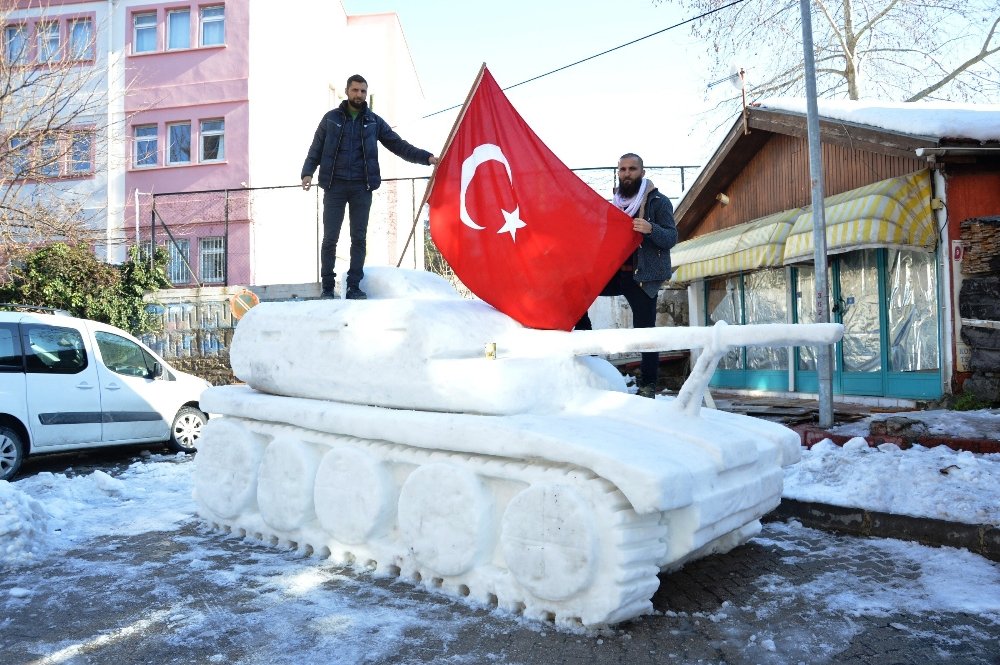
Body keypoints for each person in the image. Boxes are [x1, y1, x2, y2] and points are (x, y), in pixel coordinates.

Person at [301, 74, 438, 300]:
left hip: (361, 187)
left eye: (363, 91)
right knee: (330, 238)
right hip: (334, 186)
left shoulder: (373, 121)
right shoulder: (331, 119)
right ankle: (327, 288)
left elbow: (398, 144)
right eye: (355, 90)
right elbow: (316, 147)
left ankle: (354, 286)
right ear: (347, 91)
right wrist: (308, 172)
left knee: (359, 237)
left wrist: (427, 157)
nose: (359, 95)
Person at [576, 153, 678, 398]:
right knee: (577, 292)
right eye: (622, 169)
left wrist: (650, 228)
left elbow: (672, 238)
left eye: (632, 169)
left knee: (645, 332)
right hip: (614, 273)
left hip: (642, 276)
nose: (627, 173)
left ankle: (648, 386)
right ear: (617, 172)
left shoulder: (659, 202)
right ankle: (590, 356)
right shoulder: (612, 204)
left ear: (642, 172)